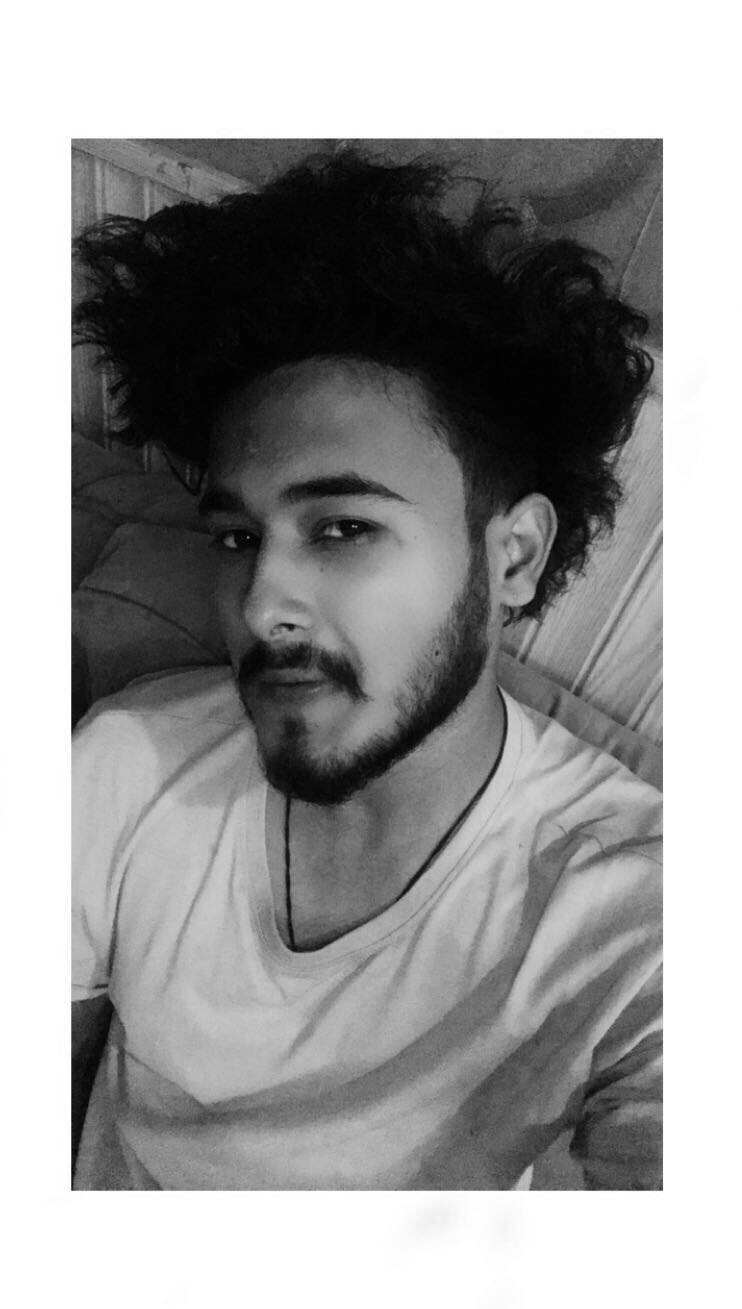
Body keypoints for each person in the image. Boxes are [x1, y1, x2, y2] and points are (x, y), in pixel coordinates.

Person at [71, 149, 661, 1190]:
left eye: (342, 527)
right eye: (236, 538)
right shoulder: (125, 766)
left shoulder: (633, 917)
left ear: (513, 557)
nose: (259, 605)